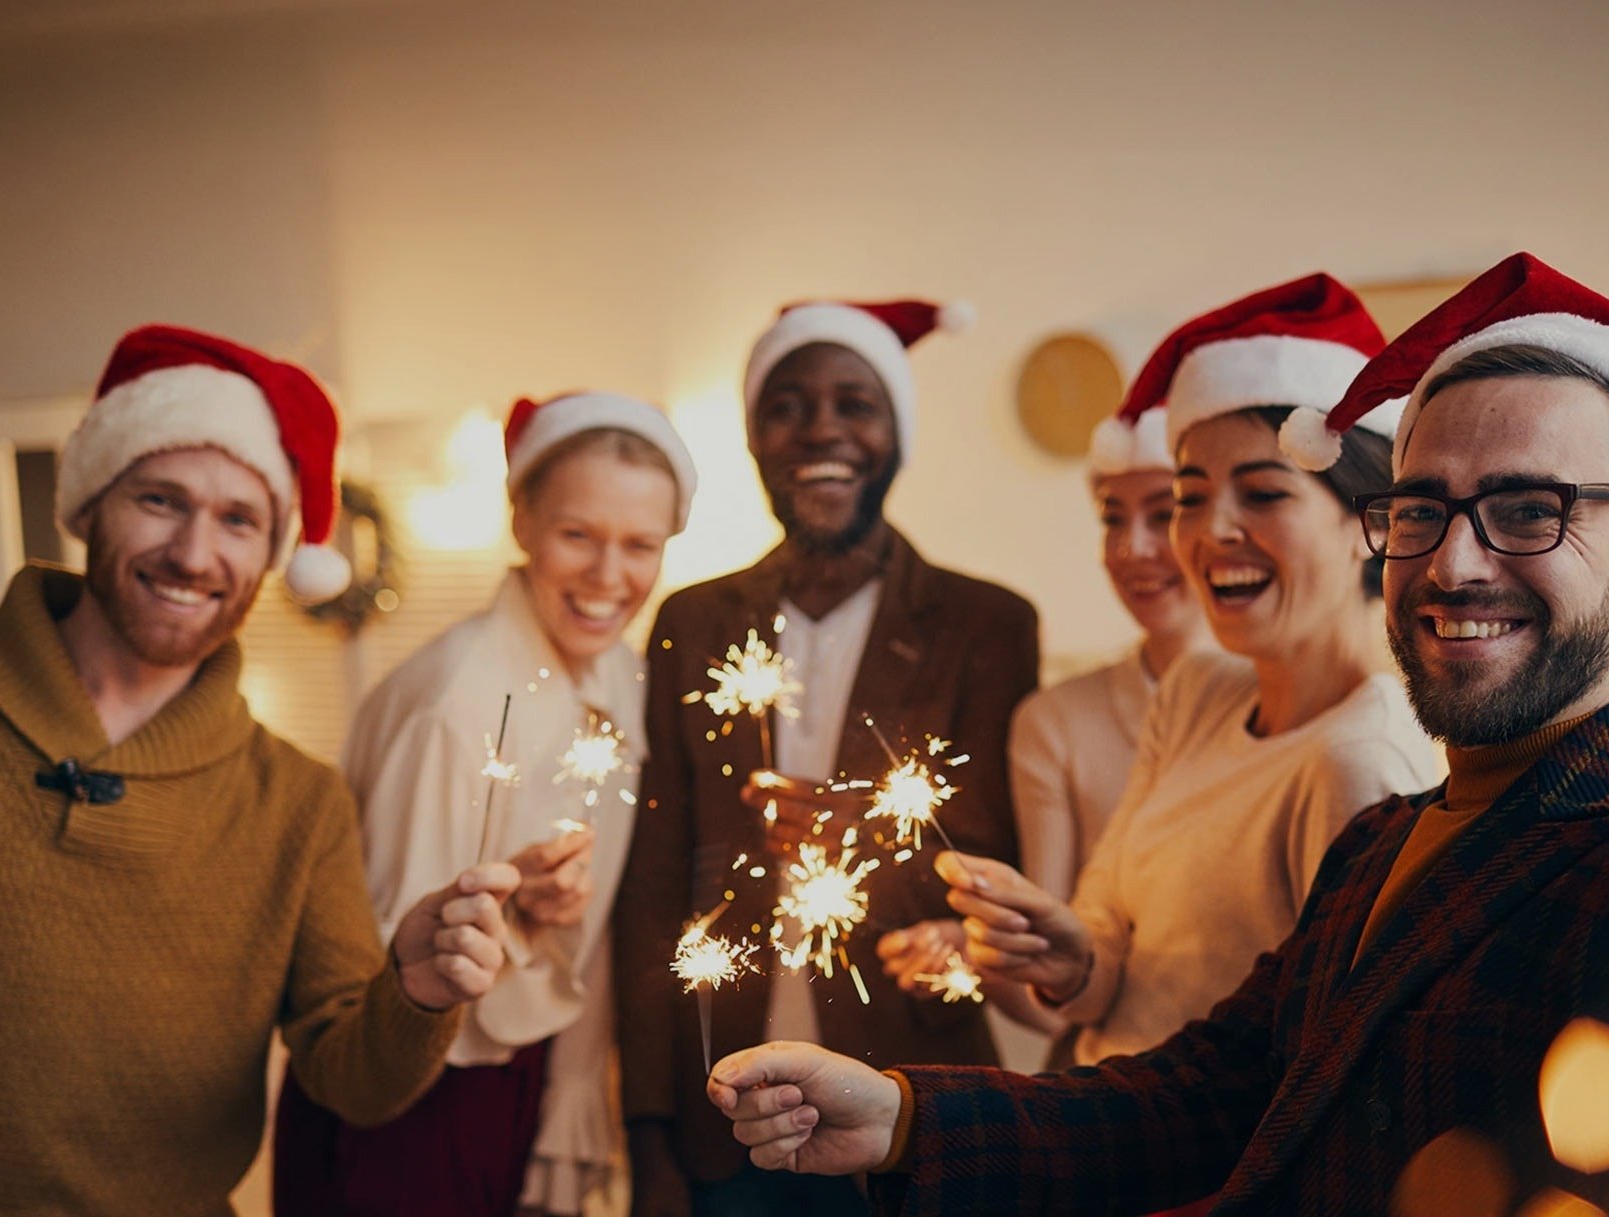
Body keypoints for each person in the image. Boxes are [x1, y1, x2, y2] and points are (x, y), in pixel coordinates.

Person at [709, 252, 1609, 1215]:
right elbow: (1213, 1096)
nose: (1454, 564)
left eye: (1530, 509)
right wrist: (900, 1115)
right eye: (1420, 509)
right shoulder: (1385, 839)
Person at [0, 325, 520, 1216]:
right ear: (90, 503)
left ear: (273, 553)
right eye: (161, 499)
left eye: (239, 520)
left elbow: (352, 1078)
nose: (195, 553)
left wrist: (415, 990)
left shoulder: (299, 801)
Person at [917, 276, 1435, 1101]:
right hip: (1098, 1139)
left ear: (1366, 523)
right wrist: (1070, 954)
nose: (1212, 529)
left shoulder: (1359, 763)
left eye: (1263, 492)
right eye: (1193, 497)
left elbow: (1327, 1080)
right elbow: (1109, 929)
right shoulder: (1198, 692)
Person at [613, 298, 1039, 1216]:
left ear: (896, 434)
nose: (822, 430)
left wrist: (877, 834)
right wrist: (648, 1134)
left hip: (917, 1105)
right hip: (726, 1116)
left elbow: (1006, 858)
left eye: (856, 403)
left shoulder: (987, 626)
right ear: (756, 438)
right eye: (788, 405)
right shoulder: (692, 623)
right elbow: (653, 884)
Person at [273, 393, 698, 1216]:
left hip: (519, 1069)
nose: (609, 577)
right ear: (522, 521)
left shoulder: (621, 676)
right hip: (408, 1091)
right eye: (578, 535)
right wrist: (512, 919)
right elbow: (386, 975)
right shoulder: (455, 704)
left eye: (639, 544)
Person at [1004, 403, 1210, 906]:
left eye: (1164, 514)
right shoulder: (1055, 724)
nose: (1131, 548)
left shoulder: (1289, 707)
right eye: (1113, 519)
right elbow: (1047, 950)